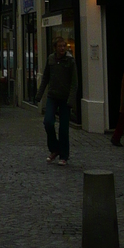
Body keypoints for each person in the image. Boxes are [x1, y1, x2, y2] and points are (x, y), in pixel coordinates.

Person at [35, 37, 78, 166]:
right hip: (52, 96)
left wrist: (71, 100)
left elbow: (74, 82)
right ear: (55, 48)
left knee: (64, 129)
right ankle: (54, 149)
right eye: (60, 46)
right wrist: (39, 94)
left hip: (65, 99)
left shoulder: (70, 61)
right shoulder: (51, 59)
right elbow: (45, 78)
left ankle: (64, 155)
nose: (62, 48)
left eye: (64, 46)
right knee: (48, 122)